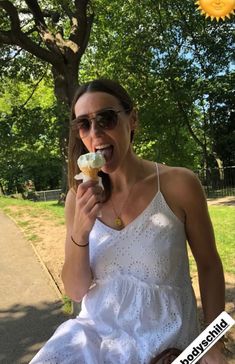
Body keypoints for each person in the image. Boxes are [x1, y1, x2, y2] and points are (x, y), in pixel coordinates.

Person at [30, 79, 227, 364]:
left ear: (132, 119)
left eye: (106, 118)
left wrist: (212, 344)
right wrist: (81, 232)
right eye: (83, 124)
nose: (95, 132)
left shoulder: (179, 184)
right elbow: (75, 291)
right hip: (94, 342)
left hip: (165, 347)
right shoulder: (78, 197)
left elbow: (209, 265)